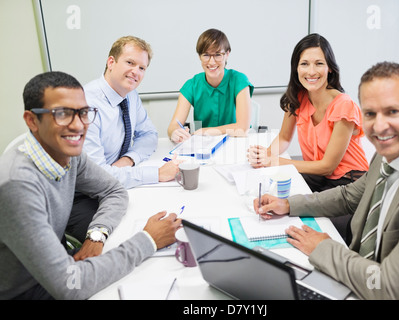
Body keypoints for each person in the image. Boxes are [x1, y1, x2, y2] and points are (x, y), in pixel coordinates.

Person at [254, 62, 399, 299]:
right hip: (357, 281)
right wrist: (288, 204)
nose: (379, 126)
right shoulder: (389, 153)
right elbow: (348, 196)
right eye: (370, 113)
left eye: (392, 112)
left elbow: (389, 287)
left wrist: (324, 249)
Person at [0, 71, 181, 300]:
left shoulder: (69, 154)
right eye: (63, 114)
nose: (78, 126)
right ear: (32, 121)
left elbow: (114, 190)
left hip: (57, 268)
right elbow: (70, 285)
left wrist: (96, 236)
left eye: (83, 113)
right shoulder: (17, 186)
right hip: (28, 291)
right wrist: (148, 240)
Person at [69, 36, 180, 242]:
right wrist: (156, 174)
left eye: (142, 68)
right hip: (80, 195)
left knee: (158, 216)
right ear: (111, 62)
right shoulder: (85, 106)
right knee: (126, 238)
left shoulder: (130, 95)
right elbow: (97, 177)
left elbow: (149, 135)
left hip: (111, 184)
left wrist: (127, 161)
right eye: (130, 63)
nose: (136, 72)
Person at [248, 33, 369, 192]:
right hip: (319, 178)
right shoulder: (297, 98)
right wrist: (264, 157)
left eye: (319, 63)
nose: (311, 72)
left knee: (292, 206)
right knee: (269, 192)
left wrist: (274, 161)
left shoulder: (344, 106)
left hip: (349, 182)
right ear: (296, 68)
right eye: (304, 64)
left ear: (330, 68)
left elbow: (327, 167)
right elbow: (284, 138)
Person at [167, 28, 254, 143]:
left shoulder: (239, 80)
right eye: (206, 55)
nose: (212, 62)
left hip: (235, 143)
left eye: (218, 55)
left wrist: (205, 131)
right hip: (203, 147)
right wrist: (175, 133)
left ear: (227, 54)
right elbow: (173, 126)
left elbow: (242, 128)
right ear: (199, 56)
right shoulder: (191, 85)